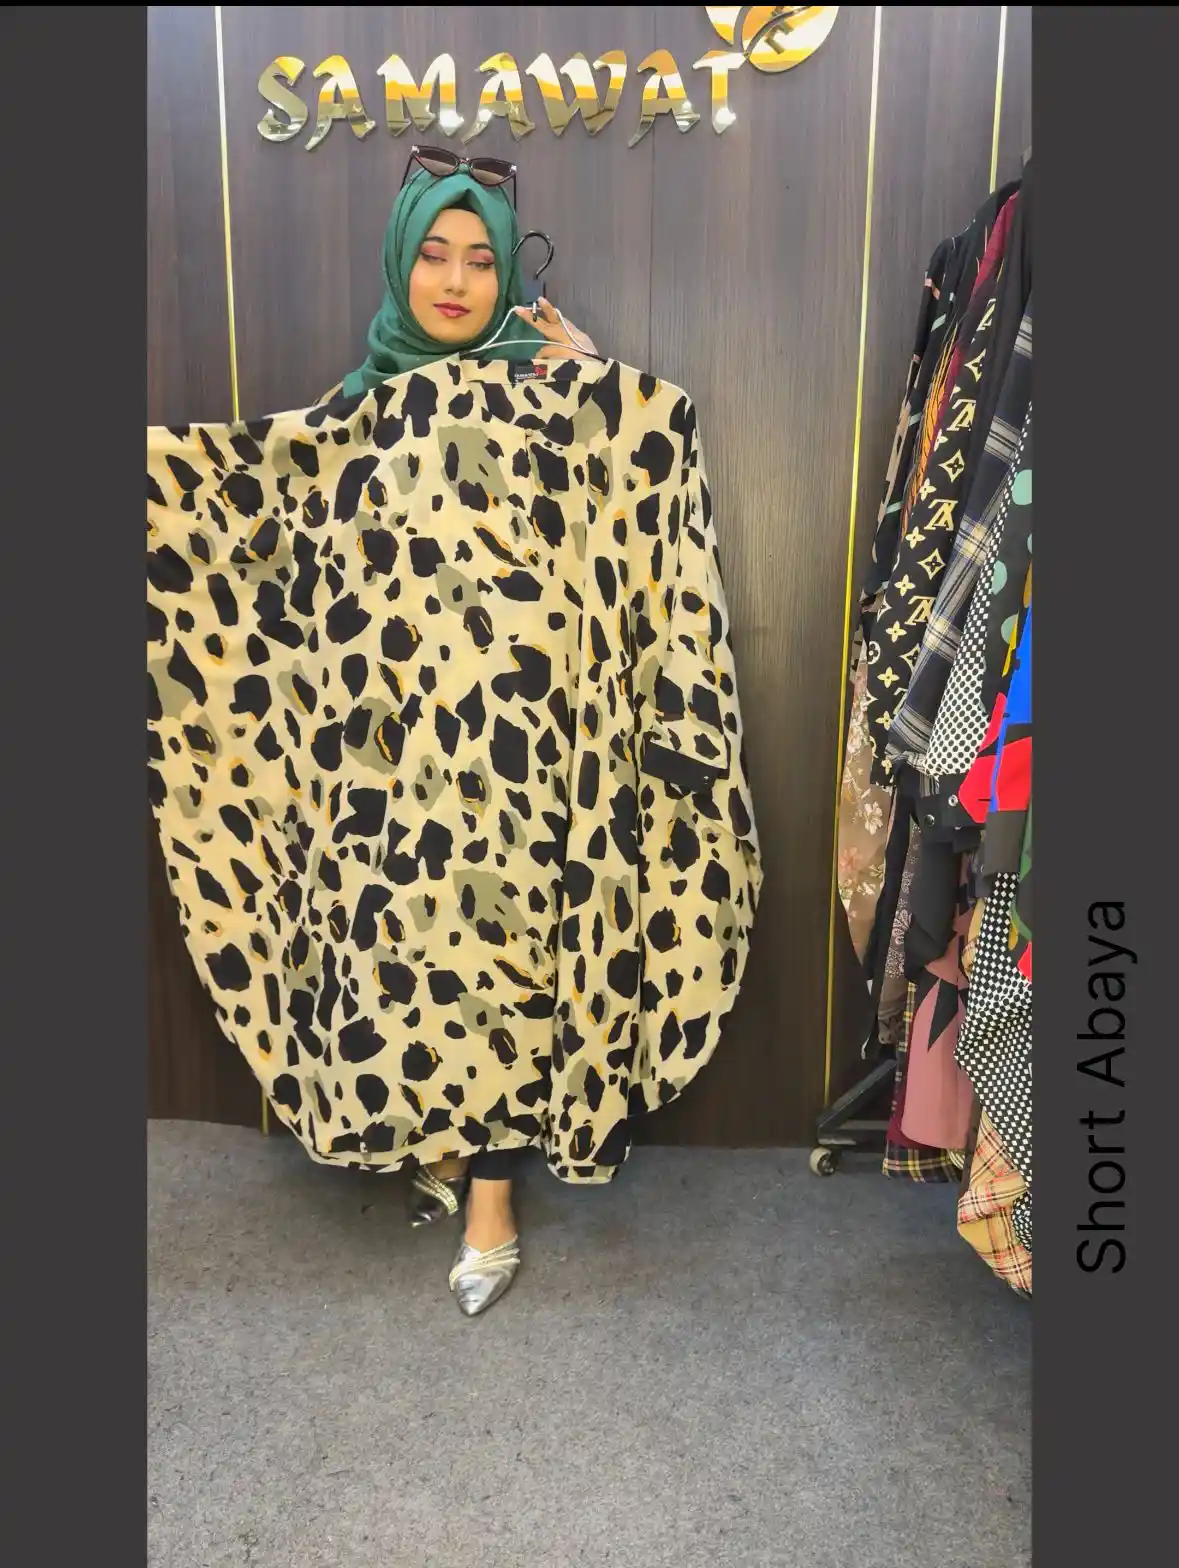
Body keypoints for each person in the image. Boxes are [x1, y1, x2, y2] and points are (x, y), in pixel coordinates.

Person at [332, 152, 599, 1316]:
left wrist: (591, 381)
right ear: (402, 261)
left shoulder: (546, 388)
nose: (454, 281)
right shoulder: (360, 398)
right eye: (434, 255)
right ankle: (438, 1132)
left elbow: (620, 513)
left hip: (516, 731)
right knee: (412, 933)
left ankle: (492, 1191)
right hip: (398, 734)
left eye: (481, 260)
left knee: (504, 944)